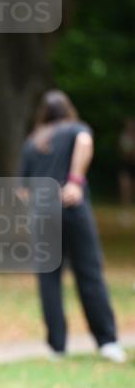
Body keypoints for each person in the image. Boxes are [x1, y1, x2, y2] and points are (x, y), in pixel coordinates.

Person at [19, 90, 127, 363]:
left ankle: (57, 347)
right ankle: (107, 341)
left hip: (44, 216)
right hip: (73, 210)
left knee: (49, 281)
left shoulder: (33, 141)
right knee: (89, 274)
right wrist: (75, 181)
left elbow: (23, 191)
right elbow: (85, 141)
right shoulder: (76, 129)